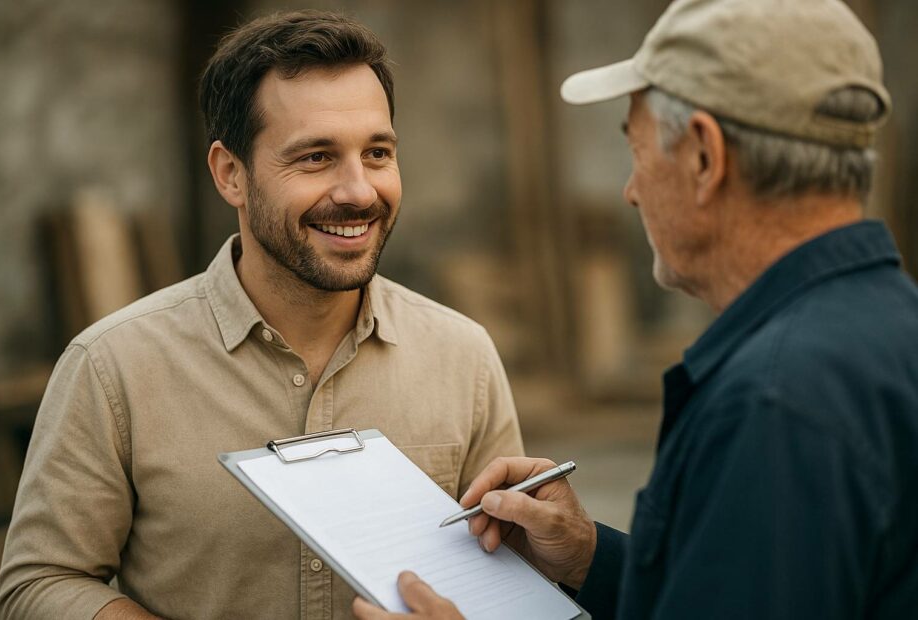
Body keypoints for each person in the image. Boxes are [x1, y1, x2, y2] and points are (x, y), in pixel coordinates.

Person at [352, 0, 918, 618]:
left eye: (638, 150)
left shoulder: (776, 401)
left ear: (704, 157)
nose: (630, 190)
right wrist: (591, 556)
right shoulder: (888, 331)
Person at [0, 10, 524, 620]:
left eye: (377, 153)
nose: (358, 190)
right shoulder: (113, 367)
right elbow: (39, 583)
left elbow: (505, 577)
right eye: (316, 157)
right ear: (230, 174)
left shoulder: (464, 355)